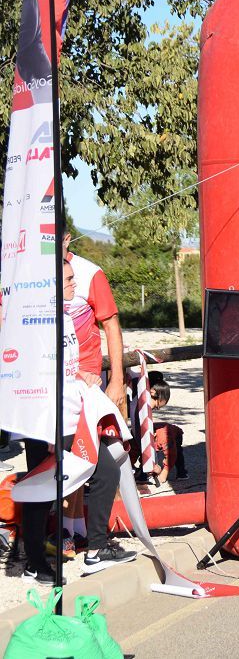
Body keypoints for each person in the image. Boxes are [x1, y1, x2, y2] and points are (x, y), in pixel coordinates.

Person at [19, 261, 136, 583]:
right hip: (43, 415)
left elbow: (64, 363)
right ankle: (36, 563)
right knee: (42, 487)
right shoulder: (33, 320)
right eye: (69, 280)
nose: (75, 284)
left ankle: (95, 550)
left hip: (71, 408)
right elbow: (31, 367)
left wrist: (80, 375)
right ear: (50, 286)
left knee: (104, 471)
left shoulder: (68, 316)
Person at [57, 231, 126, 558]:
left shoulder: (89, 273)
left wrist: (116, 380)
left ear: (67, 239)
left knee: (93, 459)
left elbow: (111, 325)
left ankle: (82, 534)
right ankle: (70, 535)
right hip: (52, 385)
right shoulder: (31, 275)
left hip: (87, 384)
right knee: (66, 459)